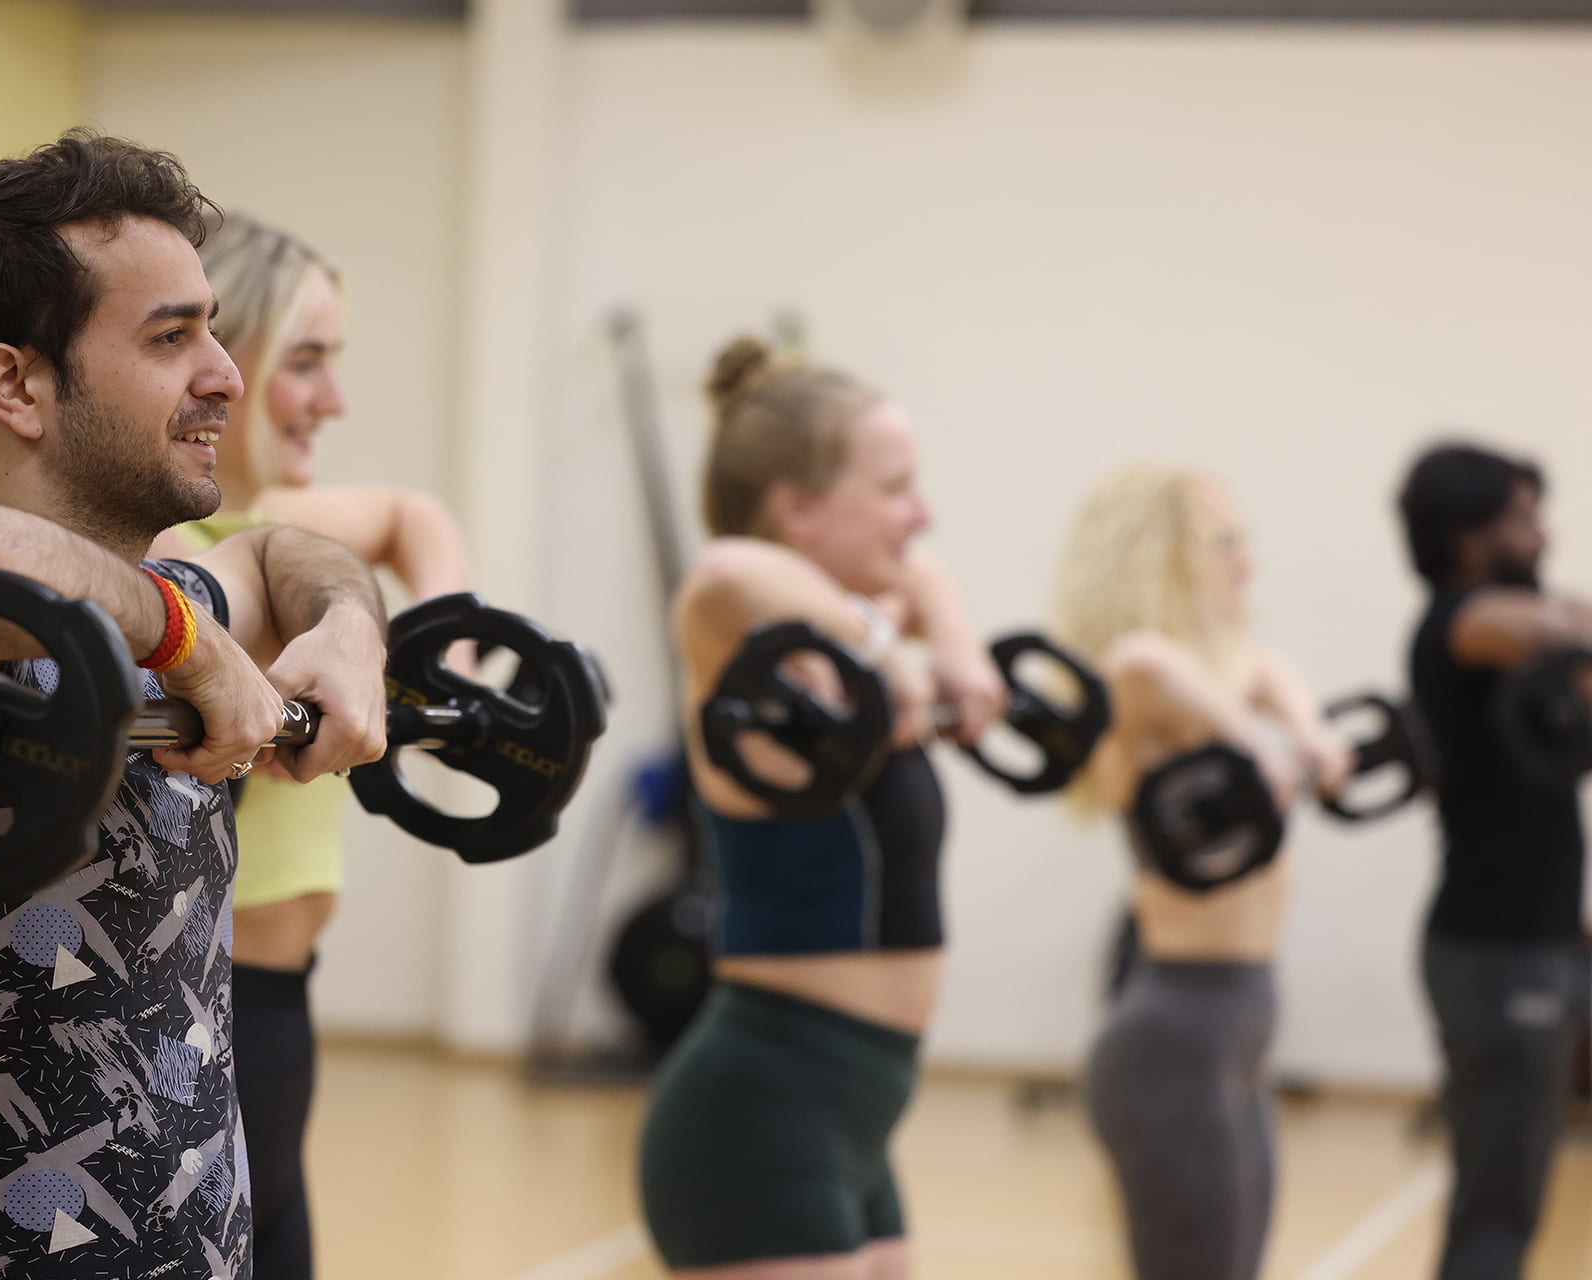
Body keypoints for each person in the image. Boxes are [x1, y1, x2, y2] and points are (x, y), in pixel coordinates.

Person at [0, 131, 389, 1280]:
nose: (226, 374)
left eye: (211, 325)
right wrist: (191, 644)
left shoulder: (176, 593)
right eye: (171, 337)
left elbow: (287, 549)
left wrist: (346, 630)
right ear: (16, 385)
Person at [637, 335, 1005, 1279]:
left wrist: (956, 654)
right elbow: (726, 572)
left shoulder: (852, 637)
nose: (919, 516)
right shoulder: (735, 636)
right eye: (893, 489)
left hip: (861, 1117)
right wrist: (887, 654)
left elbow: (926, 578)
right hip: (761, 1112)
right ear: (799, 510)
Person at [147, 211, 469, 1280]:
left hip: (278, 1013)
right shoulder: (177, 564)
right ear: (220, 364)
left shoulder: (268, 528)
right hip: (199, 1021)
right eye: (309, 361)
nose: (334, 398)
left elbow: (414, 513)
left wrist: (447, 642)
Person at [1048, 464, 1352, 1280]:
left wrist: (1308, 732)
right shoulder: (1136, 686)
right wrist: (1262, 746)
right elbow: (1146, 663)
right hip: (1174, 1035)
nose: (1244, 561)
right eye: (1224, 545)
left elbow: (1263, 667)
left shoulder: (1223, 677)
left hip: (1241, 1029)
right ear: (1162, 559)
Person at [1396, 442, 1591, 1280]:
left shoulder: (1538, 661)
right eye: (1521, 517)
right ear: (1465, 537)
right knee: (1495, 1210)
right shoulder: (1458, 623)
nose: (1542, 536)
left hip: (1540, 943)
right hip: (1494, 952)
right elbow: (1550, 623)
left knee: (1515, 1198)